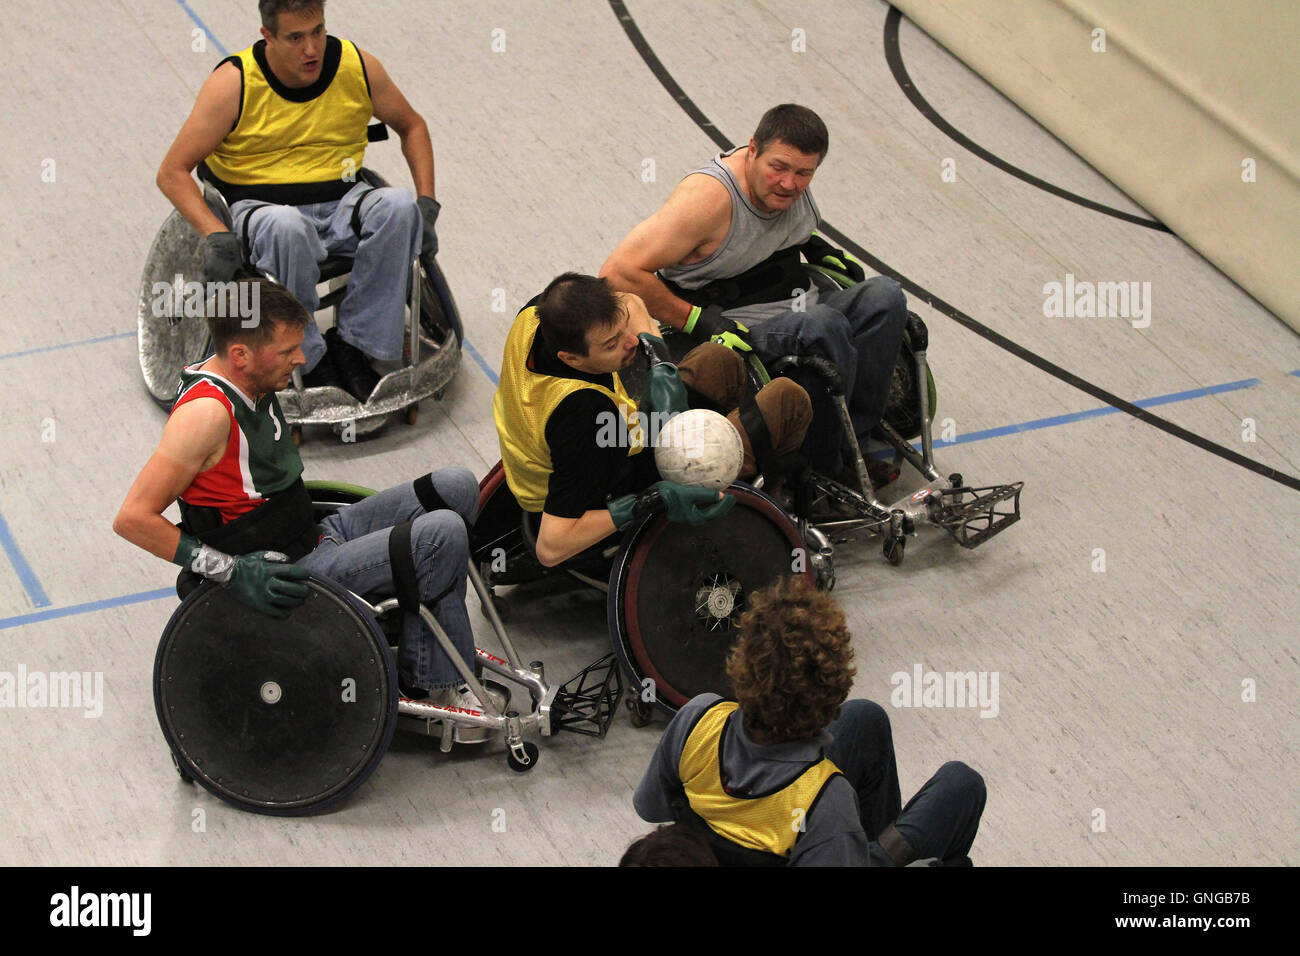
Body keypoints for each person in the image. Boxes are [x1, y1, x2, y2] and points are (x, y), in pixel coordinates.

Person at [113, 278, 497, 714]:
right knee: (441, 535)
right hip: (291, 572)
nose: (301, 359)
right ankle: (432, 682)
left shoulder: (245, 375)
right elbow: (132, 518)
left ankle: (425, 629)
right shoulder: (205, 416)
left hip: (312, 531)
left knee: (455, 486)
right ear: (240, 355)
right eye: (286, 351)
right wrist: (231, 571)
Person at [600, 103, 909, 484]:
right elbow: (618, 273)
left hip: (799, 302)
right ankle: (825, 471)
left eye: (803, 173)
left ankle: (854, 438)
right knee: (824, 324)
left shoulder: (788, 189)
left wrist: (815, 246)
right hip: (736, 330)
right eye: (778, 167)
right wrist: (697, 320)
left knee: (886, 296)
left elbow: (771, 234)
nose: (789, 183)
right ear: (752, 150)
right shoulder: (708, 200)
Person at [156, 0, 441, 402]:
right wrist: (215, 234)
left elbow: (412, 126)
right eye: (295, 38)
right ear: (267, 36)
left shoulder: (356, 65)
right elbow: (172, 171)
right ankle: (306, 357)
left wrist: (426, 204)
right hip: (262, 207)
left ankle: (358, 345)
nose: (311, 49)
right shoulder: (233, 83)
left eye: (318, 32)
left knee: (399, 207)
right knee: (288, 228)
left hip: (342, 198)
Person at [632, 575, 987, 866]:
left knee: (866, 719)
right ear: (832, 694)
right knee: (962, 785)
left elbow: (649, 807)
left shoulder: (698, 718)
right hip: (818, 841)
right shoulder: (825, 798)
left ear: (741, 665)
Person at [492, 272, 812, 568]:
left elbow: (631, 302)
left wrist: (658, 360)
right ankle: (763, 513)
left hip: (612, 446)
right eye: (611, 344)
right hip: (605, 496)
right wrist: (649, 501)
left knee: (720, 360)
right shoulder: (581, 416)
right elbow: (550, 547)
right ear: (571, 359)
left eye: (622, 330)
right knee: (787, 399)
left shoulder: (538, 316)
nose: (630, 342)